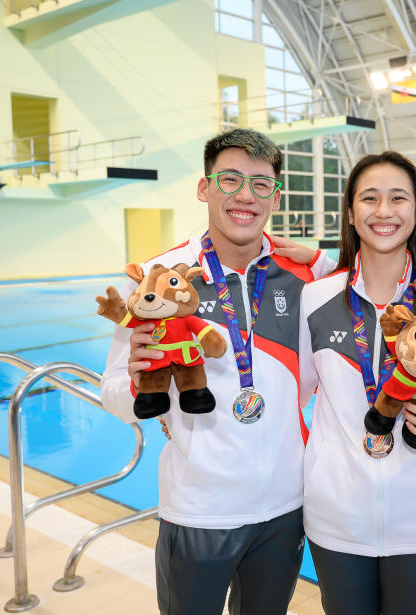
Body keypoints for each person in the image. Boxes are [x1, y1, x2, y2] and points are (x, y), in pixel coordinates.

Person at [100, 128, 334, 615]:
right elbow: (114, 395)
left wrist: (323, 258)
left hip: (286, 508)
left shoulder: (305, 275)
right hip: (199, 510)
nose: (245, 195)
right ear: (204, 188)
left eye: (260, 184)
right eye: (229, 180)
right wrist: (145, 381)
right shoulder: (159, 277)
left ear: (274, 195)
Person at [297, 151, 416, 615]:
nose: (384, 211)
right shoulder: (315, 298)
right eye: (369, 198)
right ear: (351, 213)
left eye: (398, 198)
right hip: (336, 514)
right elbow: (290, 397)